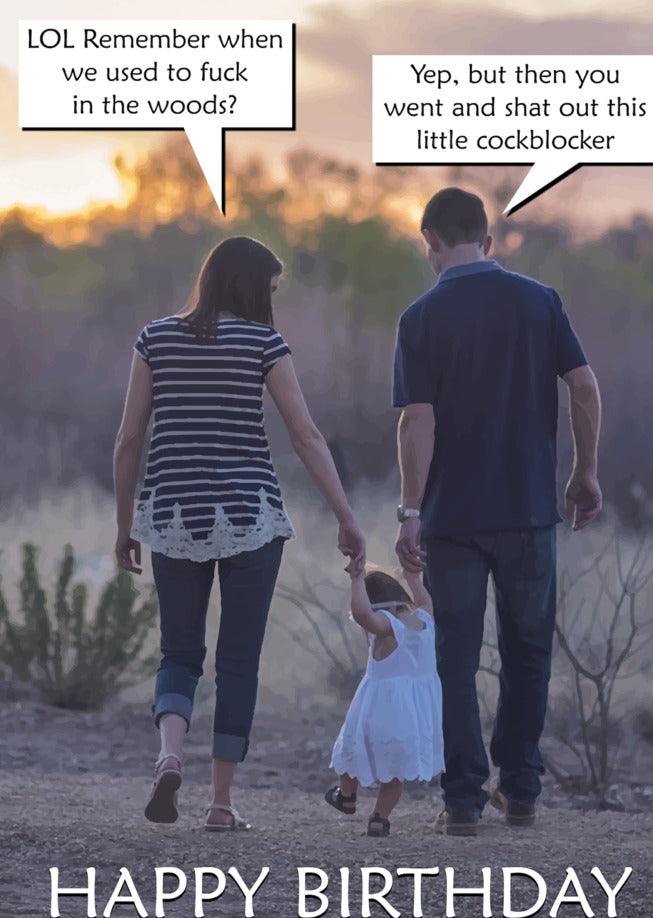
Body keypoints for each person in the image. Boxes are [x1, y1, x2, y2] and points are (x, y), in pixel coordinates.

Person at [113, 236, 365, 829]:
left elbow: (128, 440)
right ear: (251, 287)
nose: (272, 301)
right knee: (239, 660)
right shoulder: (263, 343)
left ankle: (169, 754)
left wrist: (125, 525)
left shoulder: (155, 338)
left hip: (172, 515)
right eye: (271, 289)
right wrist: (346, 516)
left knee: (179, 650)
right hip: (251, 516)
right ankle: (221, 803)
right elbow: (306, 437)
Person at [393, 188, 602, 836]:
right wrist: (584, 471)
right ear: (488, 240)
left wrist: (409, 510)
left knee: (454, 657)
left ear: (429, 243)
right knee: (528, 650)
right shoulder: (539, 302)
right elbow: (585, 386)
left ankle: (461, 801)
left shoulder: (421, 317)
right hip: (529, 510)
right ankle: (521, 790)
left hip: (452, 517)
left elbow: (415, 422)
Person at [325, 567, 444, 837]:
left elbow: (362, 615)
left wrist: (357, 580)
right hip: (412, 717)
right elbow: (425, 601)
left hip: (377, 713)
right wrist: (413, 576)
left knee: (350, 754)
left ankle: (346, 796)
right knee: (394, 774)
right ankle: (379, 818)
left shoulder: (387, 628)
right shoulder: (421, 621)